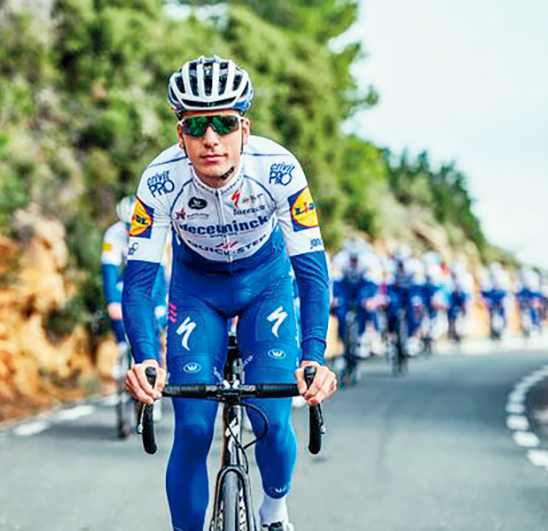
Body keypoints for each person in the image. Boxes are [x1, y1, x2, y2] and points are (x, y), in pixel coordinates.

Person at [121, 55, 337, 531]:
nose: (210, 138)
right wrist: (143, 358)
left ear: (244, 127)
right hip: (197, 292)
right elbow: (137, 283)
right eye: (197, 125)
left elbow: (312, 273)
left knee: (272, 422)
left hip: (268, 286)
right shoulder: (159, 181)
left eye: (223, 123)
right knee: (195, 430)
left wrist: (315, 356)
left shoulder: (280, 169)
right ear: (180, 134)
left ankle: (274, 512)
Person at [102, 195, 169, 416]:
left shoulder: (158, 231)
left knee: (154, 326)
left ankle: (154, 385)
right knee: (120, 303)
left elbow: (161, 276)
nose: (131, 230)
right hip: (128, 280)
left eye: (134, 226)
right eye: (127, 226)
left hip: (157, 284)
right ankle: (122, 347)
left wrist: (159, 307)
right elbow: (109, 272)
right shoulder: (113, 234)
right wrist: (113, 302)